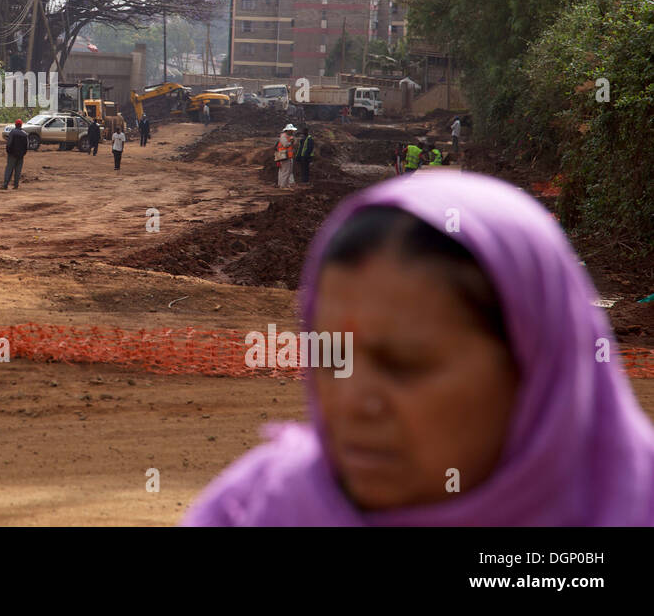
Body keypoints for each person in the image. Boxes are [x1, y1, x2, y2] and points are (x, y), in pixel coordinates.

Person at [181, 171, 654, 525]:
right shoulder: (254, 510)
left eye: (405, 365)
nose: (350, 403)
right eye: (330, 357)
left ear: (535, 367)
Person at [2, 118, 28, 190]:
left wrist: (8, 152)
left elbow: (9, 144)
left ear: (15, 124)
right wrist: (23, 154)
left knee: (9, 169)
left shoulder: (12, 132)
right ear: (21, 125)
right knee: (18, 171)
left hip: (12, 154)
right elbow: (26, 146)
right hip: (20, 156)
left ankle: (5, 185)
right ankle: (16, 185)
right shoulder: (24, 134)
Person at [275, 124, 297, 189]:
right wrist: (291, 141)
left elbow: (294, 144)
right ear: (288, 130)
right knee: (285, 171)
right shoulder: (283, 136)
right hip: (284, 155)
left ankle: (284, 184)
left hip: (287, 156)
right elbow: (285, 145)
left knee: (285, 171)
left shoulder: (288, 136)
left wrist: (292, 141)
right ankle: (283, 185)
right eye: (291, 130)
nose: (292, 131)